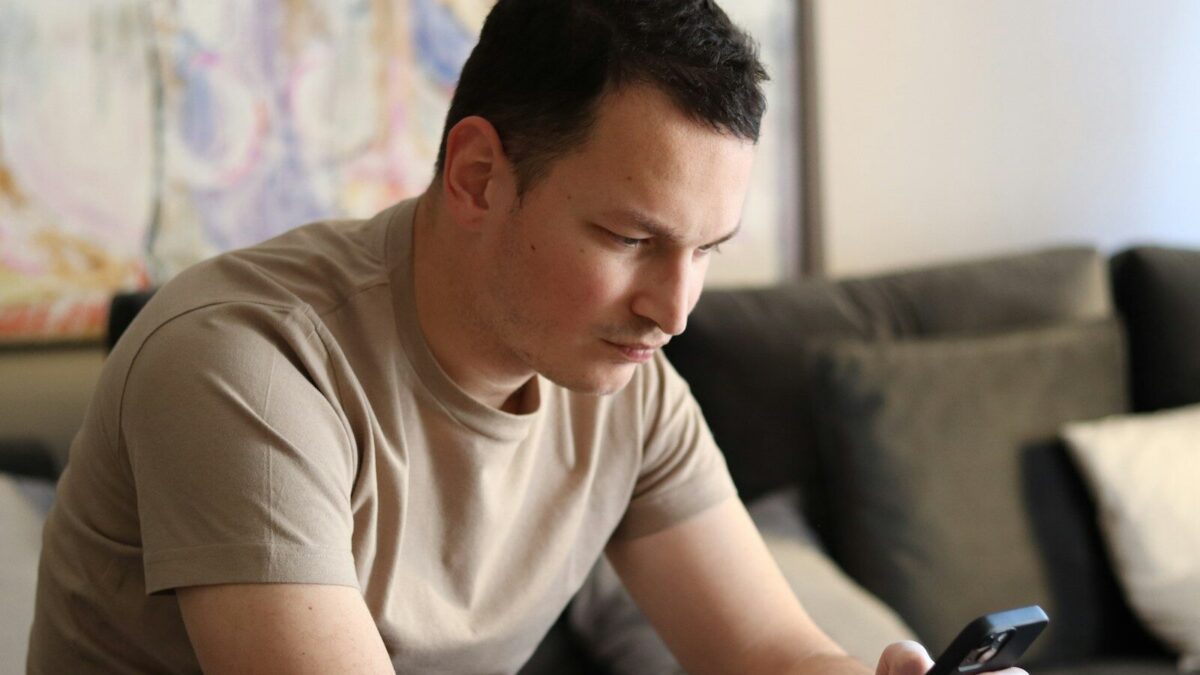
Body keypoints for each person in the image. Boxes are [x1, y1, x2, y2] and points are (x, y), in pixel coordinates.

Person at [29, 1, 1030, 674]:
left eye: (707, 250)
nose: (674, 309)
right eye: (631, 237)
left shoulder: (626, 389)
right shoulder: (246, 360)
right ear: (476, 176)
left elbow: (765, 648)